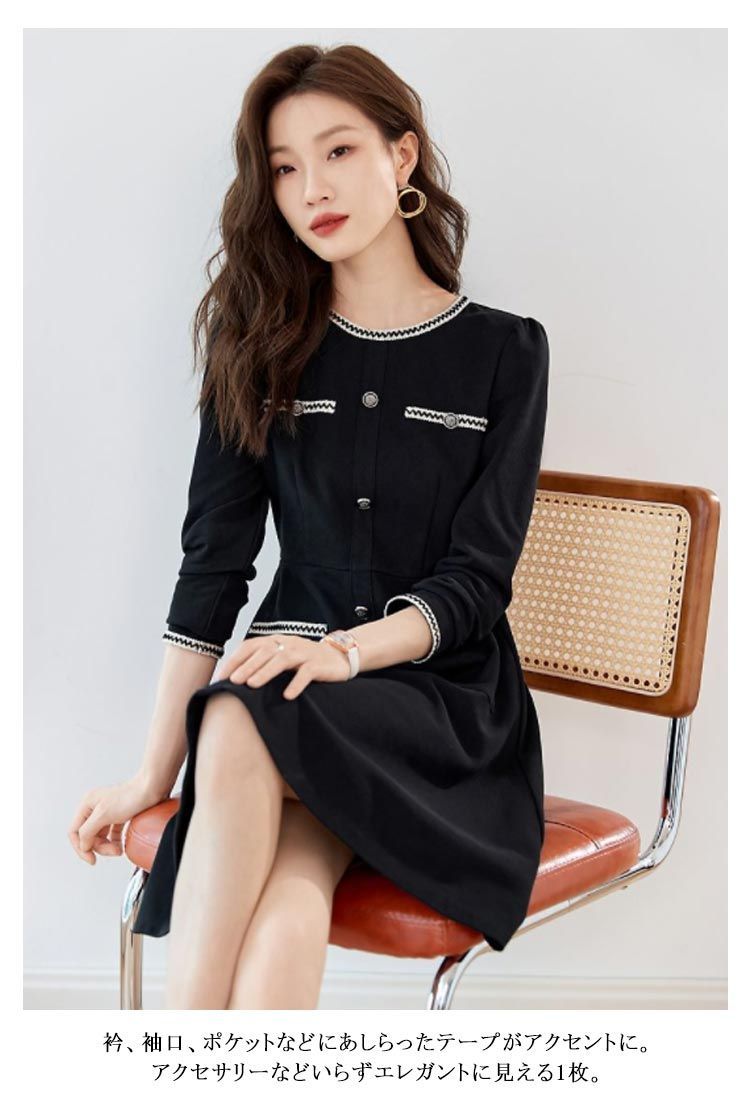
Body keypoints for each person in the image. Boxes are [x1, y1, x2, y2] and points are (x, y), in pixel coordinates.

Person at [68, 42, 550, 1010]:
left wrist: (344, 654)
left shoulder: (505, 352)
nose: (311, 189)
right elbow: (213, 567)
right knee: (288, 906)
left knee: (242, 711)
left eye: (337, 151)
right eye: (285, 168)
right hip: (291, 695)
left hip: (438, 711)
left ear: (402, 156)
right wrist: (149, 773)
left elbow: (478, 580)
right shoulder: (258, 345)